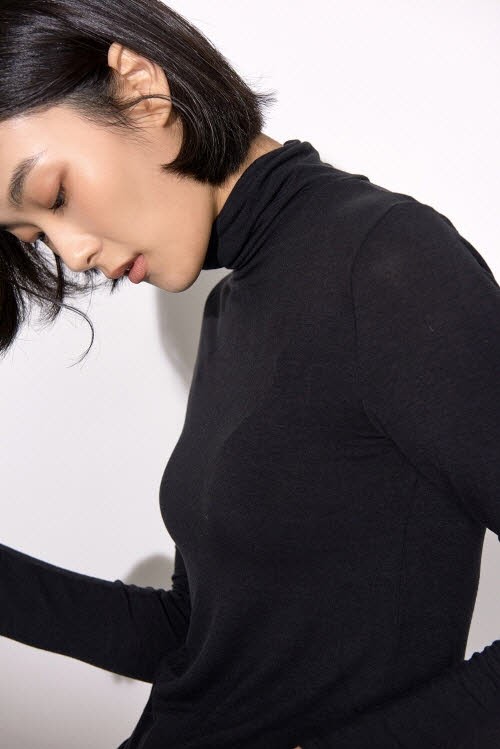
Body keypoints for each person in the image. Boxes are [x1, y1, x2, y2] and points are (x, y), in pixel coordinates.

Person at [1, 2, 499, 749]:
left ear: (141, 89)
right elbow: (199, 638)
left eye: (55, 196)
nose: (70, 254)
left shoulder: (388, 262)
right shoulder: (231, 303)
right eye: (33, 235)